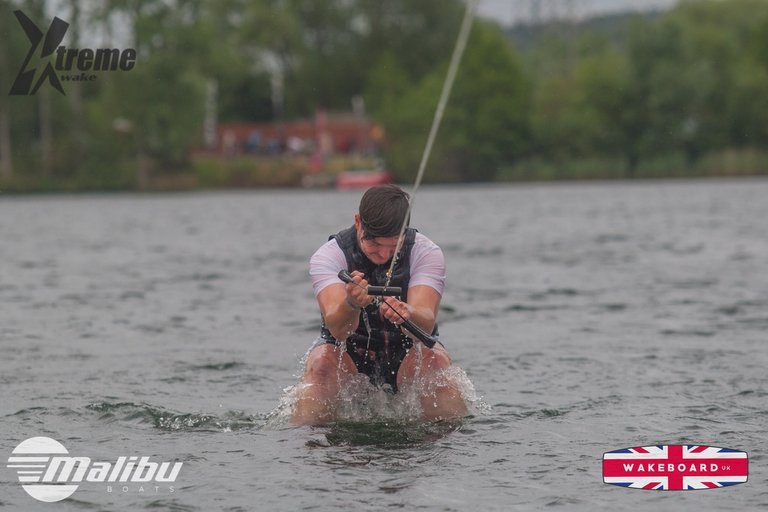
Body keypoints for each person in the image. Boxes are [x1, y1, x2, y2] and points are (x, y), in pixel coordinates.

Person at [292, 184, 467, 426]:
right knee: (321, 366)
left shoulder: (427, 252)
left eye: (393, 246)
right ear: (358, 223)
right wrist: (352, 303)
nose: (383, 255)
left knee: (436, 363)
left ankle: (449, 442)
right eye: (374, 244)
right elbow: (338, 329)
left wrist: (408, 313)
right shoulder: (328, 256)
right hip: (347, 353)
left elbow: (425, 321)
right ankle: (309, 443)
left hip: (408, 350)